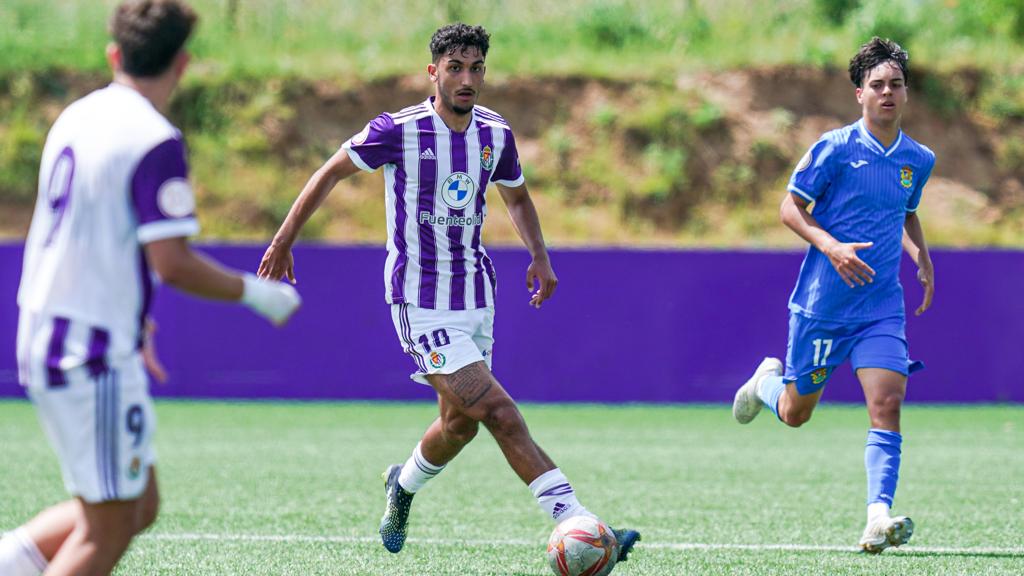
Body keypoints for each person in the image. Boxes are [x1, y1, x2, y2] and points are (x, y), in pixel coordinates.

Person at [258, 23, 640, 560]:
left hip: (476, 298)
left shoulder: (495, 133)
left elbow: (518, 196)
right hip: (419, 302)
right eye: (455, 67)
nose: (467, 78)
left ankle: (402, 484)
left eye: (476, 67)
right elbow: (330, 172)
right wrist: (283, 241)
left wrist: (539, 254)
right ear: (432, 71)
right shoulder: (398, 130)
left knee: (460, 425)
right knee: (500, 412)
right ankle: (576, 518)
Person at [0, 2, 301, 575]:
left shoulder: (75, 116)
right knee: (107, 526)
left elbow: (88, 238)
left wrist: (134, 324)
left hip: (51, 327)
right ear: (183, 63)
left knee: (137, 504)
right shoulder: (154, 138)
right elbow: (172, 263)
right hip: (87, 348)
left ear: (115, 55)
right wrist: (260, 294)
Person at [731, 37, 935, 553]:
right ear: (859, 94)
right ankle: (766, 385)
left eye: (896, 85)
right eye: (877, 85)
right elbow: (789, 208)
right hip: (824, 305)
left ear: (906, 94)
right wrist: (832, 246)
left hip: (880, 306)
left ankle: (877, 516)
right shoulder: (836, 148)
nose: (887, 93)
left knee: (887, 402)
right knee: (798, 412)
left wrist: (921, 255)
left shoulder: (918, 159)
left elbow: (904, 210)